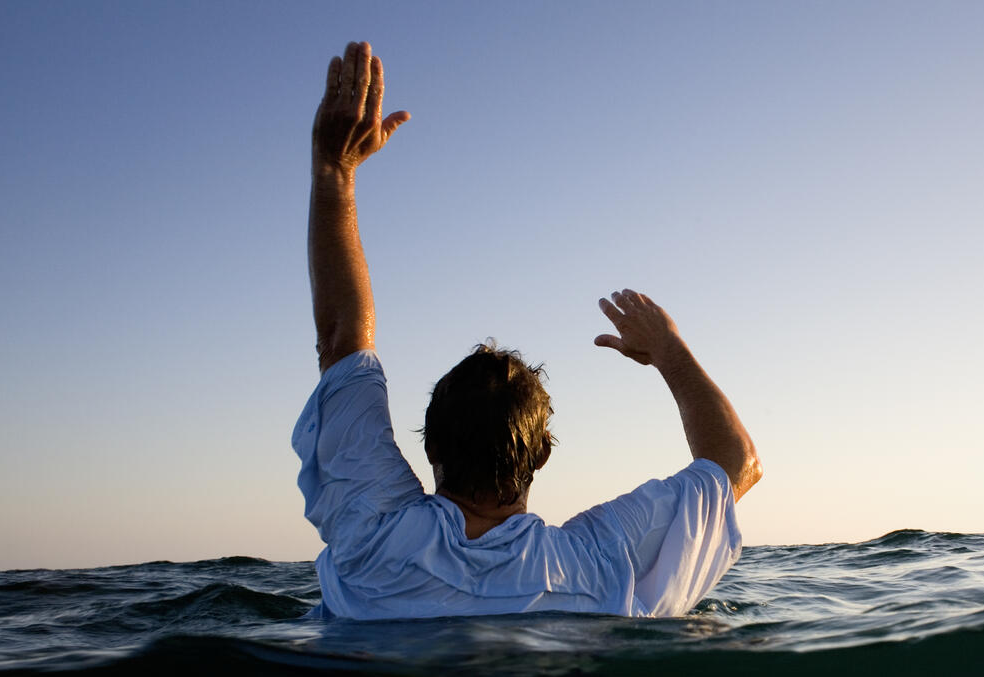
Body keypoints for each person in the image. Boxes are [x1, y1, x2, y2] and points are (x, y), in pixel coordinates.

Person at [294, 42, 761, 619]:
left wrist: (334, 172)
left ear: (429, 445)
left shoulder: (370, 536)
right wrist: (669, 351)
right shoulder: (600, 560)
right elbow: (736, 462)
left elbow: (341, 338)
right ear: (540, 455)